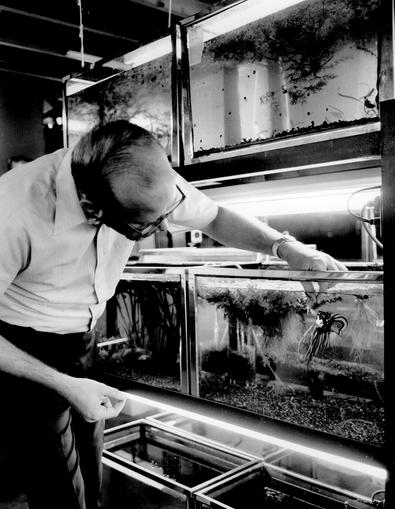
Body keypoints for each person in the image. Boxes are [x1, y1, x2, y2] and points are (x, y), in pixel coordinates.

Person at [0, 120, 346, 509]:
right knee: (57, 487)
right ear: (93, 208)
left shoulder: (136, 172)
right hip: (20, 347)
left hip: (82, 336)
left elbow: (213, 217)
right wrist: (62, 383)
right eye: (149, 226)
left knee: (89, 457)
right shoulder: (14, 210)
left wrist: (286, 248)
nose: (169, 225)